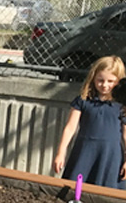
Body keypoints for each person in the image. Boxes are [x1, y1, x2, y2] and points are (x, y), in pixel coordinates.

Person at [53, 56, 126, 189]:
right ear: (93, 78)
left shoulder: (122, 105)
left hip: (111, 156)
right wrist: (61, 152)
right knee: (74, 190)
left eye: (111, 81)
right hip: (84, 153)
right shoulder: (83, 100)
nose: (105, 85)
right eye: (100, 80)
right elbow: (70, 128)